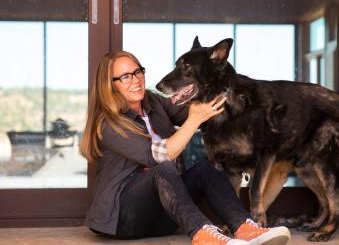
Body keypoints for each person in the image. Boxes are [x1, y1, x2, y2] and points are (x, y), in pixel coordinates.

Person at [80, 50, 291, 245]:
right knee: (163, 167)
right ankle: (203, 235)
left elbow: (203, 113)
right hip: (124, 220)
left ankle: (245, 228)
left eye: (138, 71)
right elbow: (156, 156)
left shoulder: (153, 102)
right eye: (125, 76)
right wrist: (194, 120)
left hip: (164, 218)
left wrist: (244, 101)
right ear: (110, 84)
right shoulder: (108, 123)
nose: (136, 80)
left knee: (205, 168)